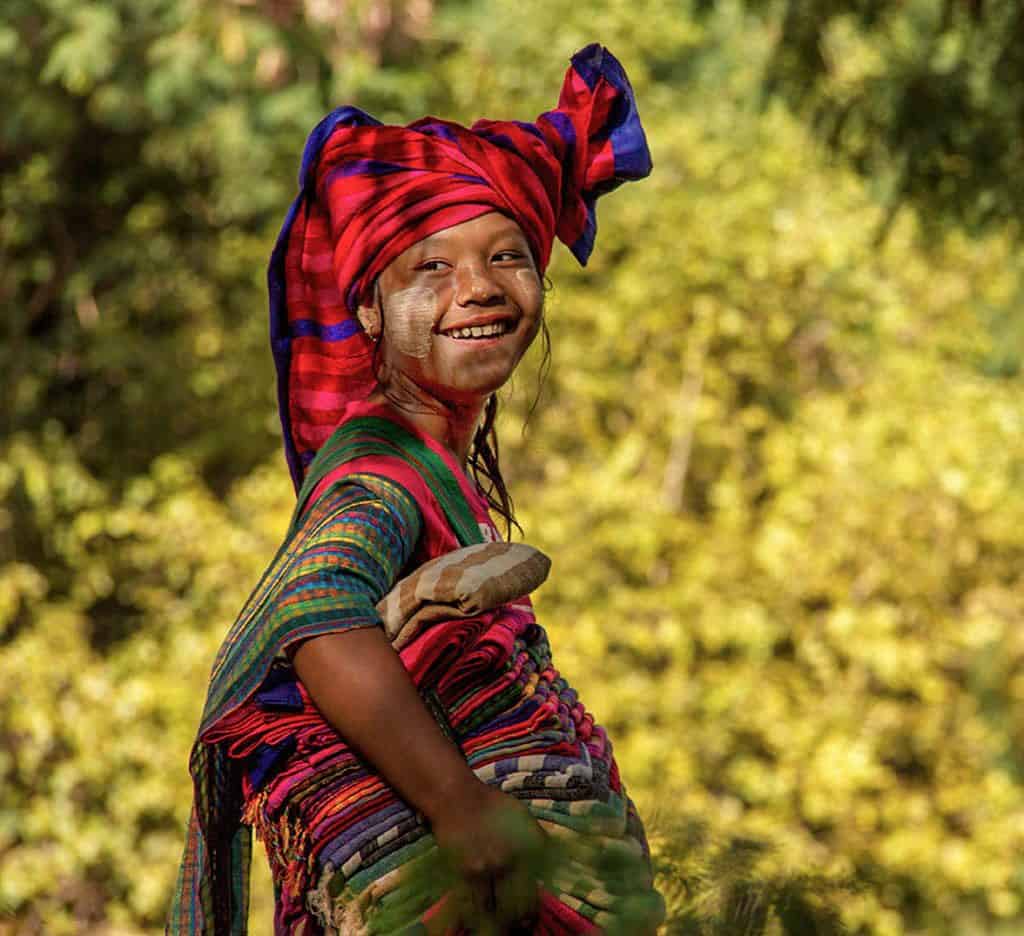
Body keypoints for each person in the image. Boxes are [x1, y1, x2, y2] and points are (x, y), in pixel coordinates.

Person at [169, 43, 662, 935]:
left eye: (507, 256)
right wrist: (460, 807)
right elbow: (318, 619)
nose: (478, 288)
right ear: (368, 308)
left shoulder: (433, 467)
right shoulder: (379, 470)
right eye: (429, 268)